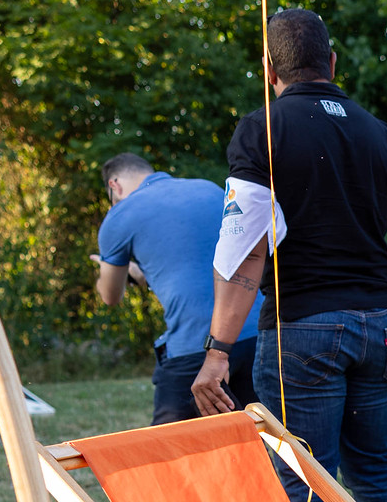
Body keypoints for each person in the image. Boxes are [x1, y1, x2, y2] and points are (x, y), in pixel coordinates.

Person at [194, 9, 387, 502]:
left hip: (304, 328)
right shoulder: (383, 135)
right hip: (379, 323)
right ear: (333, 64)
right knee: (375, 470)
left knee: (308, 476)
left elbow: (248, 248)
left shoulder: (262, 131)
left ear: (268, 70)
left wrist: (218, 347)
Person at [92, 153, 263, 427]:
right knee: (256, 437)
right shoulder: (209, 188)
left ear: (115, 185)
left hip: (197, 346)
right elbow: (199, 267)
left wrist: (104, 267)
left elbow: (110, 296)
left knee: (167, 448)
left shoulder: (120, 214)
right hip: (256, 333)